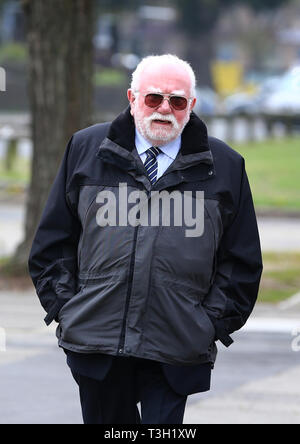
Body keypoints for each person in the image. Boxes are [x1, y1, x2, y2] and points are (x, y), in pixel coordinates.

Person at [28, 54, 263, 424]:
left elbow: (242, 261)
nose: (165, 109)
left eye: (177, 101)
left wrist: (208, 325)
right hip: (97, 339)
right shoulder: (86, 148)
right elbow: (52, 244)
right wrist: (67, 309)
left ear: (192, 106)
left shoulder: (225, 166)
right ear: (132, 98)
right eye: (154, 98)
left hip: (177, 344)